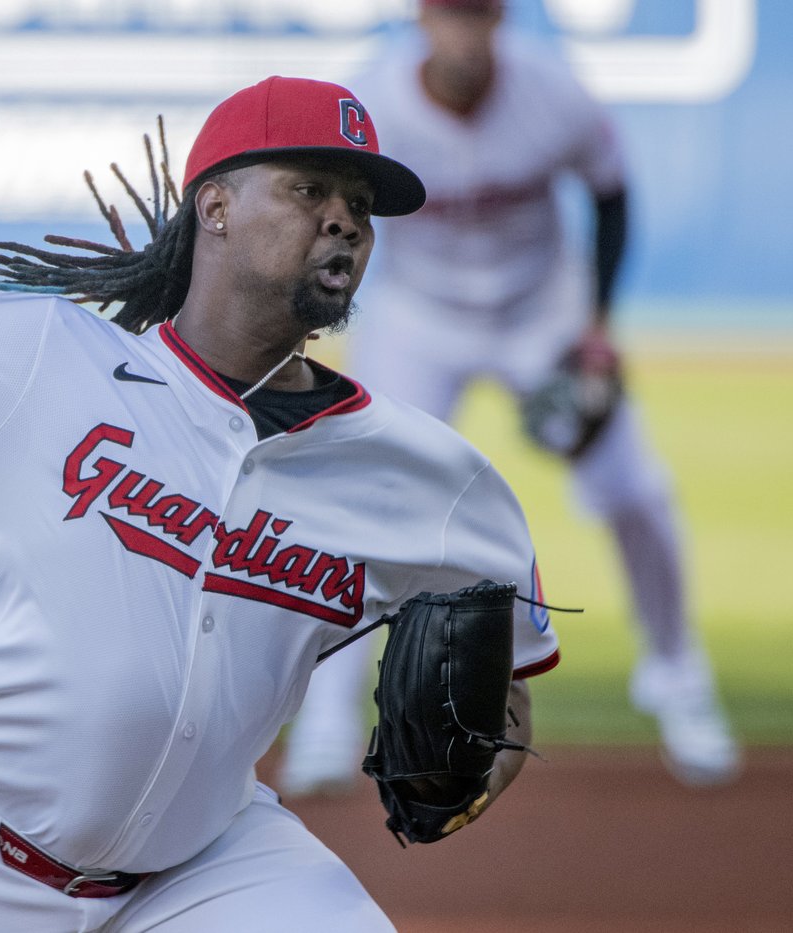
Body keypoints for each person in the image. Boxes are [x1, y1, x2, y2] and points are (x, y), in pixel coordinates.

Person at [0, 57, 561, 932]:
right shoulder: (39, 357)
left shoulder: (429, 479)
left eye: (360, 205)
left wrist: (472, 769)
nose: (344, 219)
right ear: (216, 207)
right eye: (311, 189)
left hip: (199, 867)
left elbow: (512, 681)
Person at [280, 0, 740, 797]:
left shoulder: (552, 91)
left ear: (501, 20)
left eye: (480, 13)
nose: (465, 30)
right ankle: (326, 717)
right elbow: (326, 218)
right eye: (451, 13)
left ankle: (678, 677)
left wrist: (596, 329)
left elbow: (612, 192)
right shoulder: (377, 105)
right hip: (420, 319)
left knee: (635, 490)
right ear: (422, 18)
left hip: (542, 317)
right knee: (360, 504)